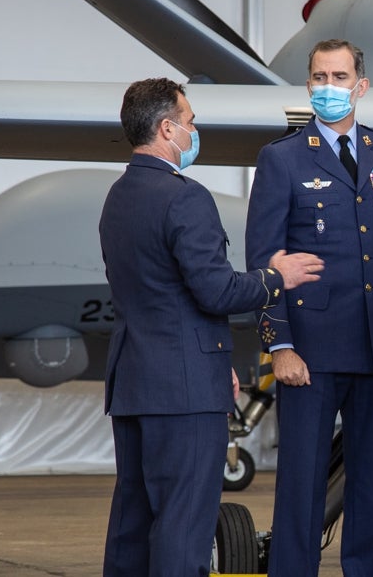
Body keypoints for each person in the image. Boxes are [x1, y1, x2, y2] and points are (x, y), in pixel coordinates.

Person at [99, 77, 323, 576]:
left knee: (132, 522)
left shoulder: (119, 195)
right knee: (184, 522)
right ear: (167, 128)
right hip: (184, 391)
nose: (195, 129)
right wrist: (275, 277)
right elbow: (216, 291)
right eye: (191, 120)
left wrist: (214, 360)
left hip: (136, 380)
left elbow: (157, 296)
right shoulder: (185, 198)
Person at [245, 39, 373, 576]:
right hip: (310, 350)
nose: (329, 87)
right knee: (302, 482)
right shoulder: (281, 159)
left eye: (340, 76)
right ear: (308, 85)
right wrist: (278, 345)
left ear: (361, 85)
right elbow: (264, 261)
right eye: (320, 77)